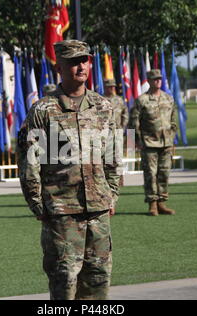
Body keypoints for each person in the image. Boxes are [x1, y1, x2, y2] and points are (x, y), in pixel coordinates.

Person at [17, 40, 121, 300]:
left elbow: (113, 154)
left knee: (98, 278)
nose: (81, 66)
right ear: (59, 67)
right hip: (62, 211)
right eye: (74, 61)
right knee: (64, 280)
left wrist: (113, 194)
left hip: (98, 208)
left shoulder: (103, 107)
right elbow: (30, 161)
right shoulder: (43, 110)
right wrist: (37, 204)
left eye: (84, 60)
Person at [129, 69, 176, 216]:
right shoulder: (142, 100)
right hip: (149, 143)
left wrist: (172, 137)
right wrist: (136, 141)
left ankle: (162, 202)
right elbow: (133, 122)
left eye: (159, 79)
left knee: (164, 173)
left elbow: (173, 120)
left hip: (166, 143)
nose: (158, 81)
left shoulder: (168, 98)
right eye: (155, 79)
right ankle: (152, 204)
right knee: (150, 174)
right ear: (148, 81)